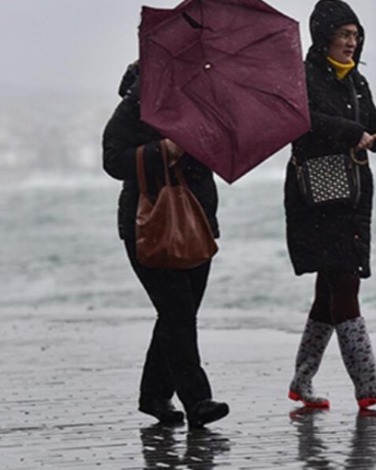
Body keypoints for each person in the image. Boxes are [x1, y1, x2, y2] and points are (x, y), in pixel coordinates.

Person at [285, 0, 376, 410]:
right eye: (344, 35)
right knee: (344, 282)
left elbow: (372, 134)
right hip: (316, 198)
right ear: (325, 36)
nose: (351, 42)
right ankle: (367, 382)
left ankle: (301, 382)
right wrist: (350, 132)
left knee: (329, 290)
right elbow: (302, 121)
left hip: (353, 195)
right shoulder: (303, 77)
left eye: (356, 35)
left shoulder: (357, 82)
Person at [103, 61, 229, 428]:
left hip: (198, 221)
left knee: (179, 313)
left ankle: (154, 395)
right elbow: (113, 159)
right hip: (149, 224)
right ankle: (198, 401)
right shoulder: (138, 100)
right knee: (177, 312)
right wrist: (165, 149)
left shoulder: (205, 101)